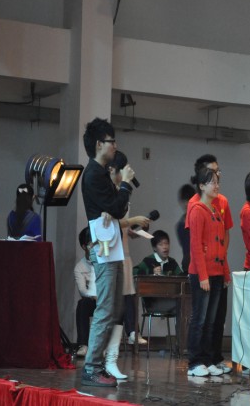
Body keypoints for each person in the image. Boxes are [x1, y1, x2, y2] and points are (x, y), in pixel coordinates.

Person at [80, 118, 136, 387]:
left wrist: (119, 195)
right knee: (105, 308)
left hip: (111, 246)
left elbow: (116, 209)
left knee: (114, 307)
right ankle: (91, 368)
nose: (115, 145)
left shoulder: (101, 173)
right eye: (112, 141)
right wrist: (125, 184)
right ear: (99, 144)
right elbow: (115, 208)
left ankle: (99, 364)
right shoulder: (93, 174)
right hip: (103, 249)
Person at [185, 155, 233, 374]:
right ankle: (194, 362)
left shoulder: (215, 209)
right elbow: (196, 246)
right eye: (212, 182)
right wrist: (203, 276)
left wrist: (225, 272)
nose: (217, 185)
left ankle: (208, 359)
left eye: (217, 181)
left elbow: (221, 245)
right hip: (202, 274)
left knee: (212, 321)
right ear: (202, 186)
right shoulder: (197, 209)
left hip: (216, 272)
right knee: (200, 319)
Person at [105, 151, 150, 378]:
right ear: (113, 170)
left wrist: (131, 230)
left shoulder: (123, 191)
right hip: (109, 255)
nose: (128, 172)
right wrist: (132, 220)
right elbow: (107, 220)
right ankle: (103, 357)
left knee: (122, 308)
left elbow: (120, 225)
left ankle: (112, 359)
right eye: (125, 168)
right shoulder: (106, 191)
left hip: (123, 253)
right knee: (110, 309)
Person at [134, 230, 184, 315]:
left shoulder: (172, 262)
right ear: (154, 248)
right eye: (161, 244)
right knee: (182, 305)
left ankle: (183, 325)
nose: (165, 247)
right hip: (152, 303)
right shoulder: (148, 260)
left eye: (166, 243)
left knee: (185, 302)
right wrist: (151, 272)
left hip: (169, 299)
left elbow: (181, 276)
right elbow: (134, 271)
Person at [74, 227, 96, 358]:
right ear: (84, 246)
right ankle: (83, 344)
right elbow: (83, 290)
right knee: (82, 304)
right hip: (93, 300)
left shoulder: (104, 260)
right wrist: (93, 295)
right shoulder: (80, 267)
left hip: (106, 298)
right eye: (91, 244)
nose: (95, 247)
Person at [176, 184, 196, 272]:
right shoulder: (180, 225)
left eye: (188, 200)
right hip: (188, 264)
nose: (186, 204)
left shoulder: (200, 219)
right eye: (184, 201)